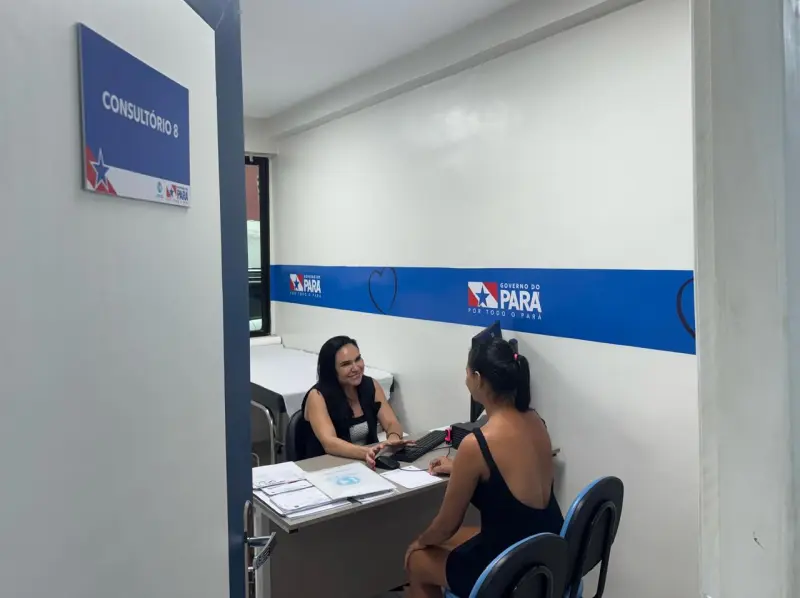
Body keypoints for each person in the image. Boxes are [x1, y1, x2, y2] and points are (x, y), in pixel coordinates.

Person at [404, 337, 564, 598]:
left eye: (467, 373)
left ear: (477, 378)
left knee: (418, 559)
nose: (465, 379)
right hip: (547, 555)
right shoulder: (535, 420)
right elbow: (512, 471)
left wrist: (419, 542)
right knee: (460, 538)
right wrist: (459, 469)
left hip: (510, 572)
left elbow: (446, 526)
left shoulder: (476, 444)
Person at [300, 336, 409, 468]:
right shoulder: (317, 396)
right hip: (327, 467)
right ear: (331, 370)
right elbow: (330, 443)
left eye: (358, 359)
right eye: (346, 364)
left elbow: (392, 422)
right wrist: (366, 452)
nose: (356, 368)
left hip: (366, 463)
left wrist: (393, 439)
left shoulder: (371, 385)